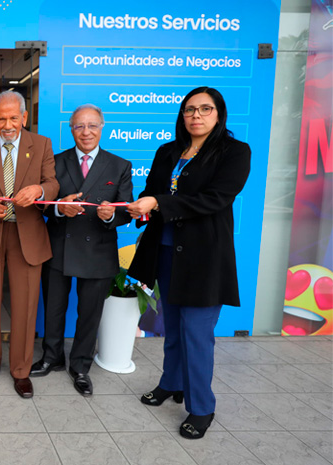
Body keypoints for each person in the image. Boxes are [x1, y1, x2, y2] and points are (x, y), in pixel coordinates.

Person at [126, 87, 251, 440]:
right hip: (165, 251)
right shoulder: (168, 151)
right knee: (172, 327)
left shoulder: (234, 152)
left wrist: (159, 204)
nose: (196, 115)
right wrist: (140, 208)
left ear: (218, 114)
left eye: (205, 109)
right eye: (190, 109)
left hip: (204, 257)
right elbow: (152, 191)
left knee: (196, 334)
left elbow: (216, 199)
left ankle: (202, 407)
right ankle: (171, 383)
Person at [30, 104, 133, 396]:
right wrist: (59, 208)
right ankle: (52, 357)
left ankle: (80, 366)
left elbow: (126, 208)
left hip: (98, 250)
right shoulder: (54, 162)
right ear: (71, 129)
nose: (86, 132)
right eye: (79, 126)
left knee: (89, 313)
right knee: (53, 308)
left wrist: (111, 215)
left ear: (102, 128)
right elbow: (41, 204)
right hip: (59, 246)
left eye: (92, 126)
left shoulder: (119, 165)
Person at [0, 90, 57, 398]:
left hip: (27, 235)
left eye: (13, 118)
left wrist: (39, 190)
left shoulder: (42, 144)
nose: (8, 125)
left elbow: (52, 183)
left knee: (25, 305)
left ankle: (21, 370)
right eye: (2, 119)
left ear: (24, 117)